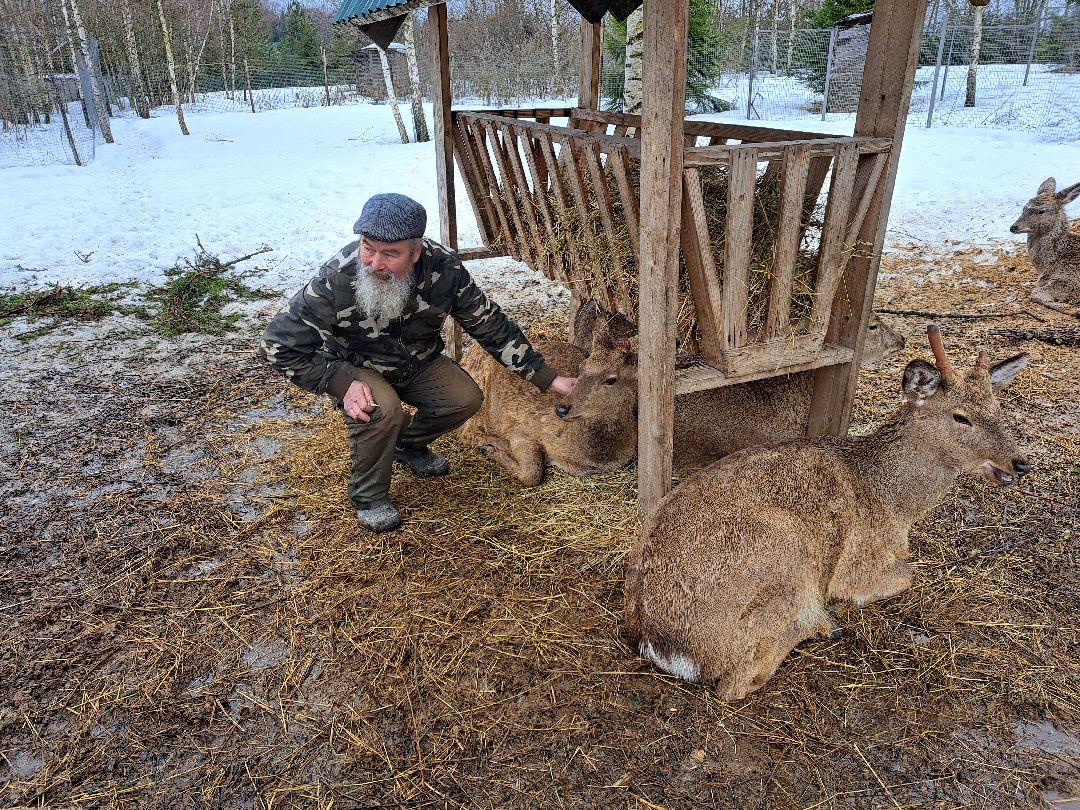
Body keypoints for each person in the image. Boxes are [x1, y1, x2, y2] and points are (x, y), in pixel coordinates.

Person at [257, 193, 576, 532]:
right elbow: (276, 345)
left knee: (465, 398)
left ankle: (406, 445)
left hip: (417, 360)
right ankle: (369, 496)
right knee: (381, 410)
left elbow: (488, 323)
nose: (374, 263)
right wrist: (340, 383)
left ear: (416, 251)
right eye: (368, 247)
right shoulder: (337, 278)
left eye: (390, 254)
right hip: (355, 365)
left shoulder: (445, 269)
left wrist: (546, 377)